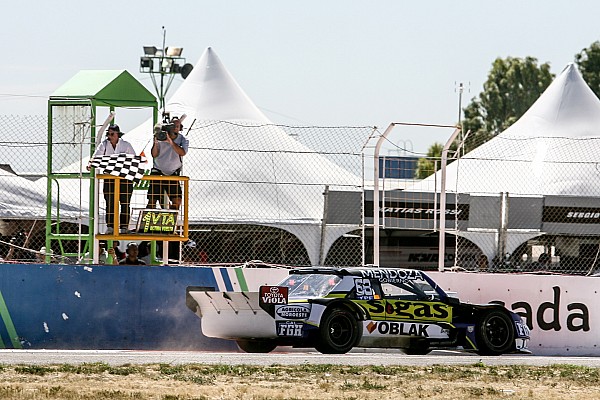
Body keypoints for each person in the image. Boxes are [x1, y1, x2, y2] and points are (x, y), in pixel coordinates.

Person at [88, 124, 136, 234]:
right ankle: (110, 226)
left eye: (112, 134)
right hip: (109, 177)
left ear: (117, 134)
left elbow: (133, 158)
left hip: (124, 177)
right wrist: (91, 163)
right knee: (110, 202)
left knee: (125, 203)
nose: (110, 136)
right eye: (108, 134)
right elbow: (97, 155)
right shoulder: (104, 144)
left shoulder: (126, 145)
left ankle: (124, 227)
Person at [146, 116, 189, 210]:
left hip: (173, 172)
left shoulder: (183, 139)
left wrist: (170, 142)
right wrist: (156, 142)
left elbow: (182, 152)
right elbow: (154, 154)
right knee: (152, 200)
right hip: (158, 170)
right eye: (172, 125)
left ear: (180, 128)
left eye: (177, 126)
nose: (174, 128)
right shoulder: (161, 136)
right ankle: (148, 221)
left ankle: (171, 221)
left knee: (177, 200)